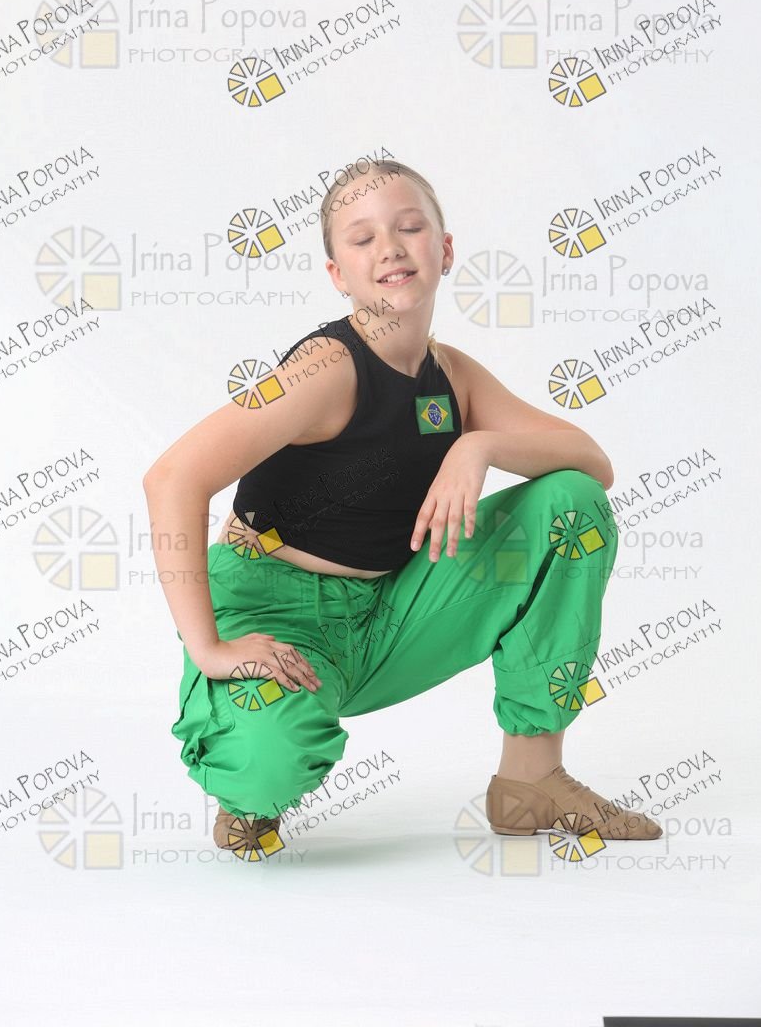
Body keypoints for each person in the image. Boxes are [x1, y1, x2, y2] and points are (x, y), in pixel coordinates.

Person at [142, 158, 663, 863]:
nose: (389, 247)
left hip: (395, 608)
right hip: (279, 613)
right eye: (362, 239)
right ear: (339, 275)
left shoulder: (453, 376)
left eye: (409, 228)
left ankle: (532, 780)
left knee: (570, 503)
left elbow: (592, 463)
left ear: (444, 250)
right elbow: (172, 478)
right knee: (265, 769)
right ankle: (247, 791)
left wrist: (478, 444)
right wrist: (208, 647)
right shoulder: (326, 368)